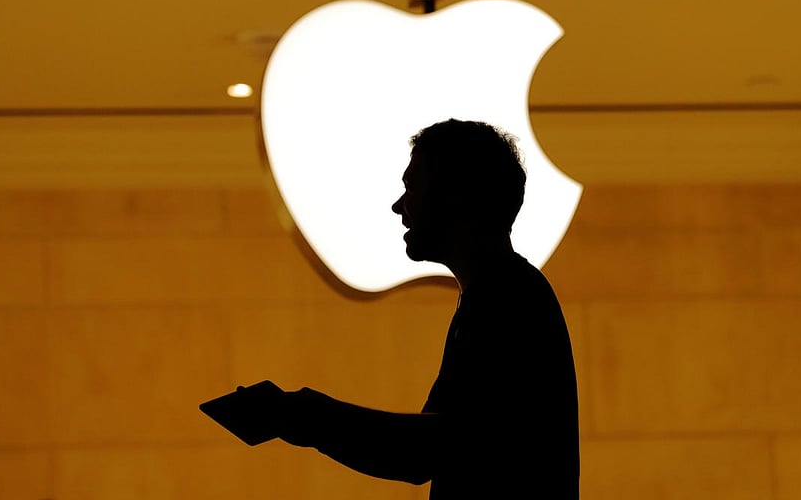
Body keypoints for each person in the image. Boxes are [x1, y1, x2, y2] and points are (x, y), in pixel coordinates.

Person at [238, 119, 579, 498]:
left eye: (412, 187)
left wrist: (303, 415)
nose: (399, 206)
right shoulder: (504, 294)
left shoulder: (507, 301)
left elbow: (427, 451)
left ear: (456, 196)